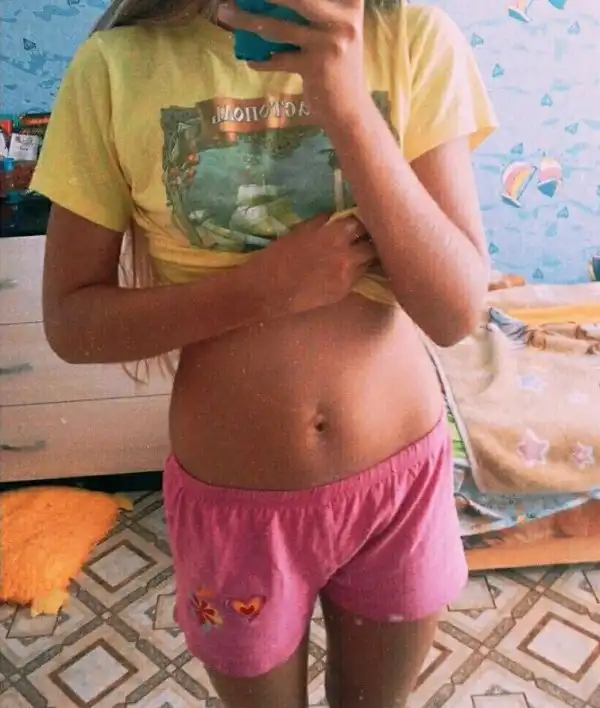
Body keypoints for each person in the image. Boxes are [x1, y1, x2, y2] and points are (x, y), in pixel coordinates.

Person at [31, 0, 497, 704]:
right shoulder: (115, 69)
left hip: (398, 488)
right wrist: (264, 291)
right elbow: (71, 323)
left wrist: (347, 105)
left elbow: (455, 311)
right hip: (235, 512)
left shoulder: (412, 38)